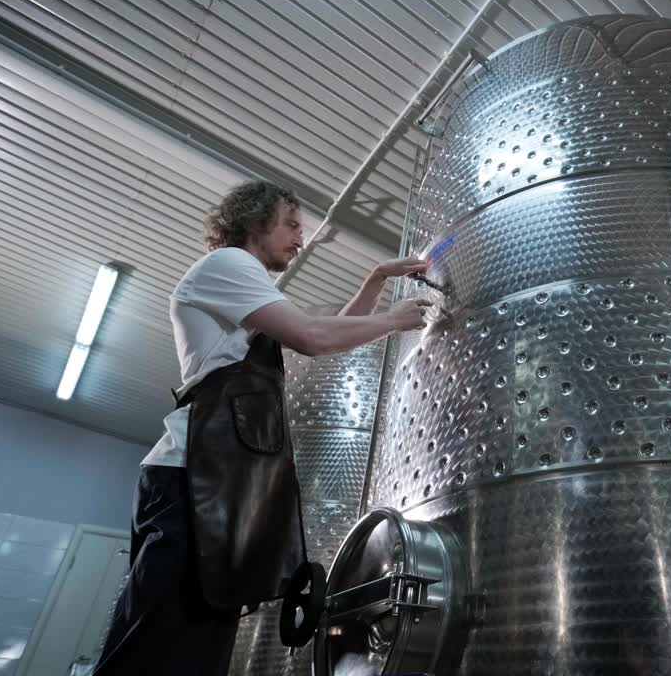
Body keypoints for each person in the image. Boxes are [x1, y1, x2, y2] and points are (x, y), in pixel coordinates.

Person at [93, 180, 431, 674]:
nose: (299, 238)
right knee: (161, 639)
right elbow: (312, 336)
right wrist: (394, 320)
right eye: (291, 224)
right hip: (196, 477)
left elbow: (323, 340)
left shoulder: (246, 289)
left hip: (222, 478)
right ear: (254, 222)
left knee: (198, 640)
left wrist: (376, 281)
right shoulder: (227, 264)